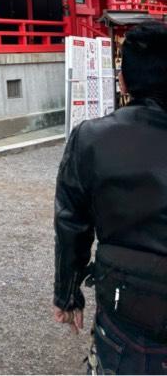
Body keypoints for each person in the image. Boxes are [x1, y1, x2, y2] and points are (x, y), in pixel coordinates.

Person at [54, 20, 167, 374]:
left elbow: (71, 221)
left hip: (127, 303)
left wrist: (68, 294)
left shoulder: (91, 139)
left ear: (123, 81)